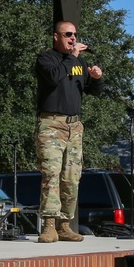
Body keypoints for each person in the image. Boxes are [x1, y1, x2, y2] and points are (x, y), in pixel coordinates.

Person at [34, 20, 103, 243]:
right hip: (52, 123)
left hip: (75, 126)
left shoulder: (79, 62)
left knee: (72, 177)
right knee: (52, 174)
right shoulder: (46, 58)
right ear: (56, 36)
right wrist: (72, 57)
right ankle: (49, 225)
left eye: (75, 34)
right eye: (68, 34)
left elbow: (93, 92)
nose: (73, 38)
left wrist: (96, 79)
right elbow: (54, 77)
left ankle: (65, 224)